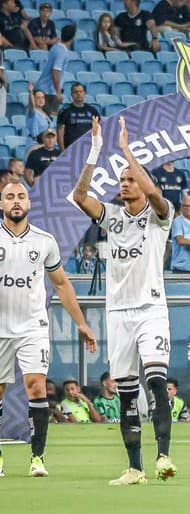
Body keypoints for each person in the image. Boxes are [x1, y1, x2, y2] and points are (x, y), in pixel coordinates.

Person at [0, 181, 96, 478]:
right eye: (10, 197)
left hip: (32, 326)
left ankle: (38, 458)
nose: (16, 201)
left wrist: (82, 323)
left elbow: (61, 283)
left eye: (21, 196)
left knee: (36, 385)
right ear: (2, 205)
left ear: (29, 203)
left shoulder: (44, 241)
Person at [72, 117, 177, 486]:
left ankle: (163, 455)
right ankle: (136, 467)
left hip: (151, 310)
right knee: (127, 394)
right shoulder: (112, 216)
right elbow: (80, 197)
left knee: (156, 381)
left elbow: (154, 194)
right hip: (117, 312)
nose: (124, 183)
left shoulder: (160, 216)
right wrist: (97, 150)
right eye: (122, 179)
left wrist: (129, 151)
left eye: (130, 178)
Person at [33, 24, 75, 117]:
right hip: (48, 92)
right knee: (48, 122)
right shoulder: (62, 51)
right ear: (72, 38)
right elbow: (55, 71)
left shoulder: (56, 47)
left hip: (44, 89)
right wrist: (58, 92)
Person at [57, 83, 101, 151]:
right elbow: (60, 132)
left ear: (84, 93)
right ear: (71, 94)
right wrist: (62, 152)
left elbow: (99, 129)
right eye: (76, 92)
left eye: (81, 91)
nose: (78, 94)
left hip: (89, 149)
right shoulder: (65, 111)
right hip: (71, 150)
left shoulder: (92, 110)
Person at [171, 195, 190, 273]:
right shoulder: (177, 221)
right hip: (181, 268)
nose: (188, 208)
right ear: (181, 207)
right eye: (185, 206)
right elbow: (180, 240)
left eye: (189, 206)